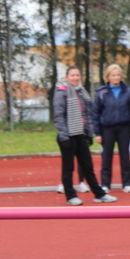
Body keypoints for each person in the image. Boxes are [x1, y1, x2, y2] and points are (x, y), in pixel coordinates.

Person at [53, 66, 118, 206]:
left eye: (78, 75)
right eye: (72, 75)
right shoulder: (61, 93)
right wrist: (64, 136)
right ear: (66, 77)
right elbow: (58, 116)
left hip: (80, 134)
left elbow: (86, 114)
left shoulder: (82, 92)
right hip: (68, 136)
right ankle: (70, 196)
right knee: (68, 167)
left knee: (87, 166)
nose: (76, 78)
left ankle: (99, 194)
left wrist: (89, 133)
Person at [91, 64, 130, 194]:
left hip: (124, 128)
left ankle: (127, 183)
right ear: (108, 77)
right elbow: (95, 112)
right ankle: (105, 184)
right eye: (113, 75)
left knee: (125, 157)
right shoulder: (101, 93)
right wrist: (97, 132)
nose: (116, 77)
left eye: (118, 75)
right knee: (106, 157)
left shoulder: (128, 92)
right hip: (107, 128)